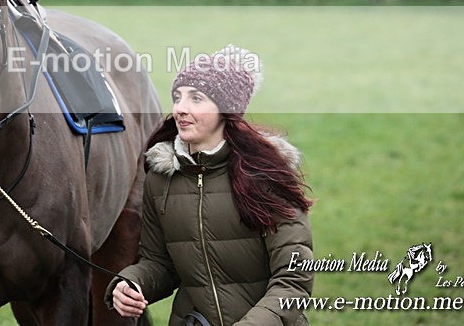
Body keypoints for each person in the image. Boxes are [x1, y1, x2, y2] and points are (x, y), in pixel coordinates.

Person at [107, 46, 314, 325]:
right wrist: (131, 283)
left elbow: (294, 279)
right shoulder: (161, 179)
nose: (180, 108)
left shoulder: (267, 175)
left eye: (196, 98)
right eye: (177, 97)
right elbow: (160, 263)